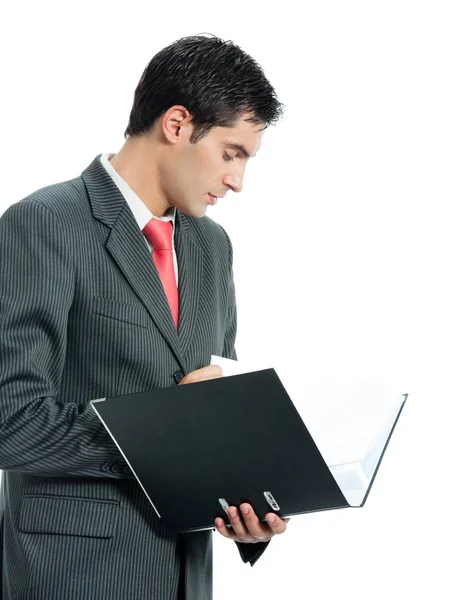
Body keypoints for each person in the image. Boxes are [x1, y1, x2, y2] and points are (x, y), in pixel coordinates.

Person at [0, 34, 287, 599]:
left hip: (186, 578)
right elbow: (11, 420)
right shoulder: (44, 225)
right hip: (73, 576)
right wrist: (165, 430)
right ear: (177, 124)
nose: (237, 180)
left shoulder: (212, 247)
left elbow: (212, 410)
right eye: (231, 153)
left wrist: (249, 507)